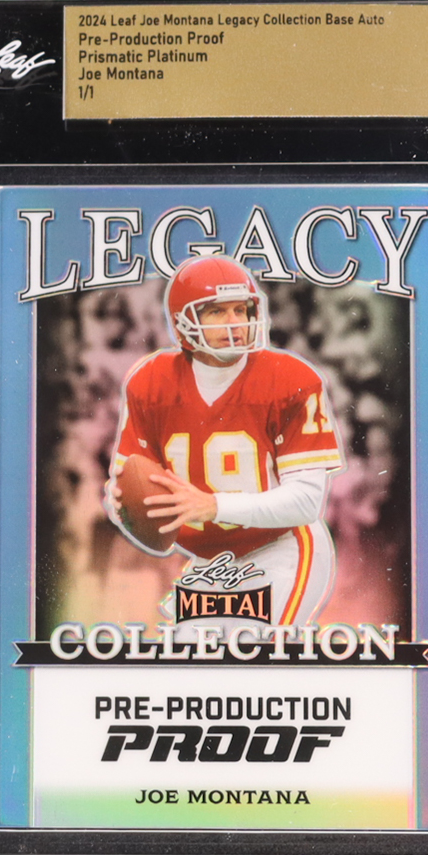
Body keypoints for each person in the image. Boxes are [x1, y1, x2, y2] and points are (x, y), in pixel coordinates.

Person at [104, 256, 344, 633]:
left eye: (240, 309)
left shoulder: (289, 380)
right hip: (212, 563)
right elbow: (130, 482)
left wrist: (214, 505)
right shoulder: (151, 383)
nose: (234, 322)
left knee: (259, 654)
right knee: (189, 661)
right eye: (216, 311)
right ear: (182, 322)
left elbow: (306, 502)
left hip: (283, 545)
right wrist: (120, 503)